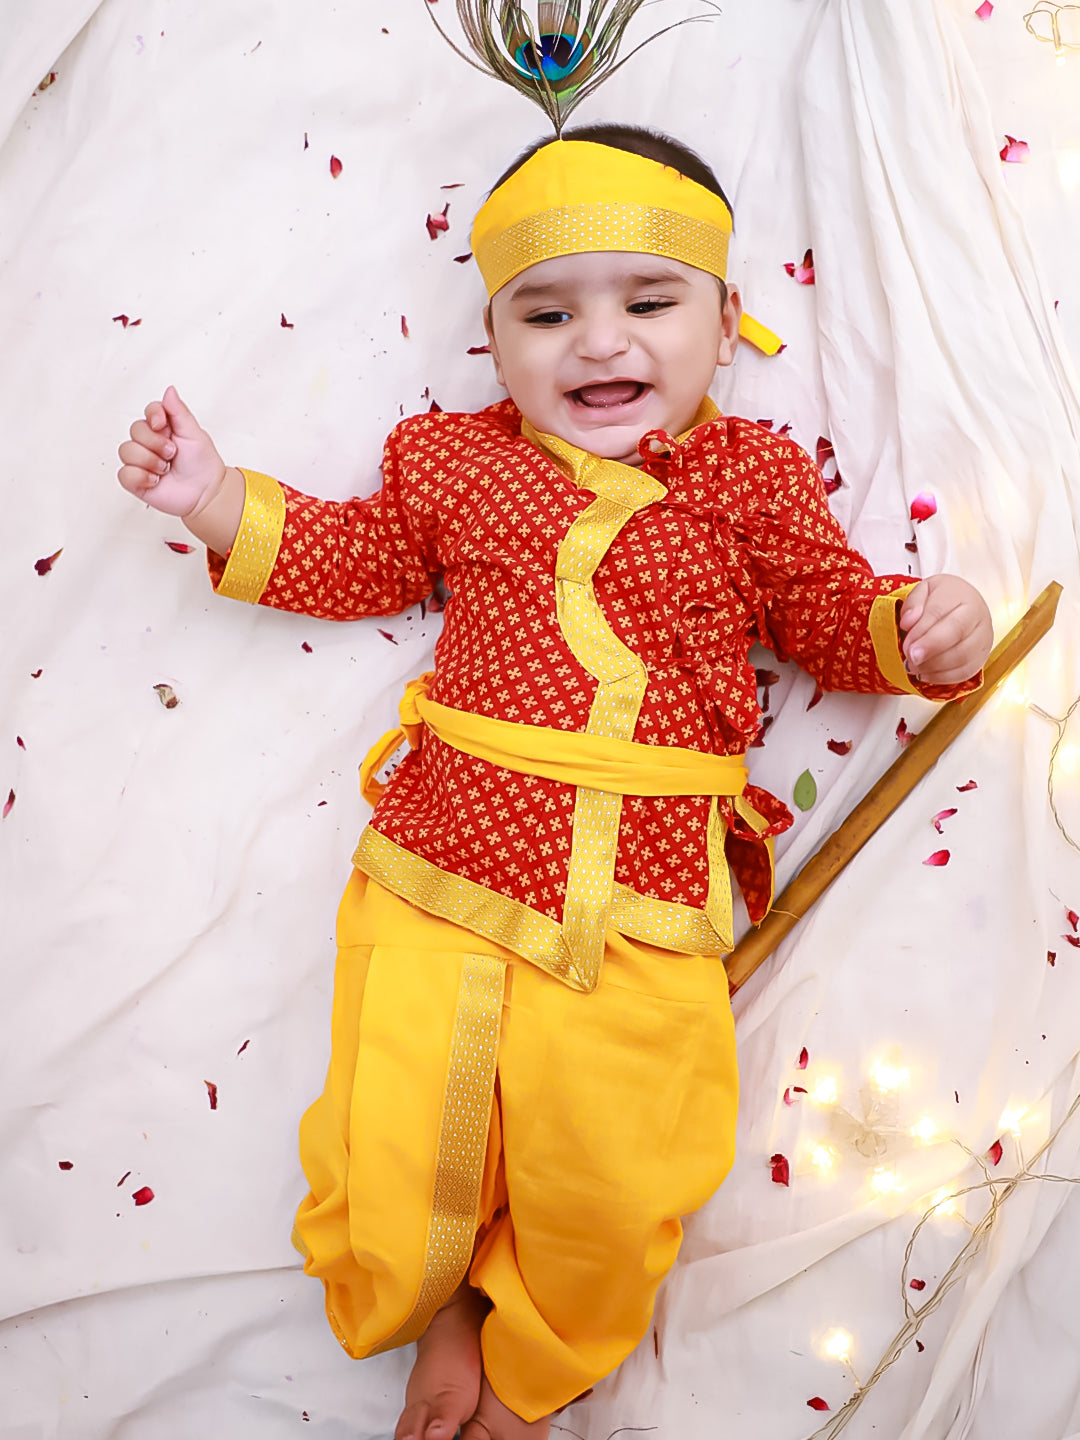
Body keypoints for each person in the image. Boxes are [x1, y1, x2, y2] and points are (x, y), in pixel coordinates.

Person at [117, 124, 994, 1440]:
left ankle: (526, 1353)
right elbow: (360, 558)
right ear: (493, 338)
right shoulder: (454, 463)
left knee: (618, 1165)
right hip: (446, 860)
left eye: (649, 303)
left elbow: (824, 613)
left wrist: (923, 630)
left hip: (642, 889)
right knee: (399, 1137)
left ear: (726, 323)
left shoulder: (752, 479)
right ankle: (434, 1298)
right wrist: (215, 496)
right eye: (547, 313)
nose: (598, 342)